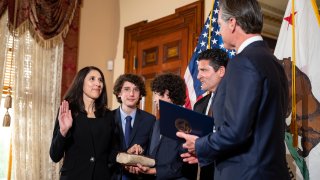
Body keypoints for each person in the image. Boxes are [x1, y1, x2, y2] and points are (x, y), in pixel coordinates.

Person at [176, 0, 290, 179]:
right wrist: (206, 153)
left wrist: (199, 145)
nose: (219, 31)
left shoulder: (243, 62)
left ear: (232, 23)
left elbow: (236, 131)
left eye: (220, 24)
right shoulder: (274, 62)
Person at [49, 66, 120, 180]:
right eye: (92, 79)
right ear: (81, 83)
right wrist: (63, 131)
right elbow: (55, 156)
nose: (98, 83)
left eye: (100, 80)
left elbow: (112, 152)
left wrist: (126, 155)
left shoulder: (108, 115)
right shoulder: (68, 112)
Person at [132, 73, 197, 179]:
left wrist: (155, 171)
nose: (154, 99)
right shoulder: (157, 123)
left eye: (156, 93)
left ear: (167, 93)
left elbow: (185, 164)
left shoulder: (186, 123)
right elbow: (154, 154)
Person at [112, 73, 155, 179]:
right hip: (113, 175)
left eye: (136, 89)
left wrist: (141, 156)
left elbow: (152, 153)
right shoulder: (107, 118)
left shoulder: (150, 120)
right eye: (126, 89)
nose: (131, 94)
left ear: (140, 94)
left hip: (139, 176)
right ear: (118, 93)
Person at [194, 48, 229, 180]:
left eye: (204, 70)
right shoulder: (199, 105)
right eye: (198, 70)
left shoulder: (235, 102)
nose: (198, 76)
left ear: (221, 71)